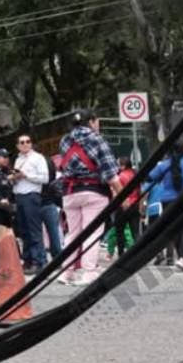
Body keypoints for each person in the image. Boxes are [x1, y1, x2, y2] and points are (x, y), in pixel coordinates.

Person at [58, 110, 123, 285]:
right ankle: (89, 272)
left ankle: (66, 272)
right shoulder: (97, 139)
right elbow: (111, 174)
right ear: (92, 122)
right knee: (92, 233)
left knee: (72, 233)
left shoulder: (65, 140)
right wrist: (123, 196)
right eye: (97, 121)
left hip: (70, 192)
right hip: (94, 192)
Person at [147, 142, 183, 272]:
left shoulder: (164, 165)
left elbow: (150, 178)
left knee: (174, 228)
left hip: (167, 200)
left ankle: (181, 257)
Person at [11, 133, 50, 275]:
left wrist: (26, 176)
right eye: (22, 142)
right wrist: (14, 178)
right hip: (19, 195)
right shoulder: (18, 160)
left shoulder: (38, 158)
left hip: (31, 195)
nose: (25, 144)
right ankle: (28, 260)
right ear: (18, 146)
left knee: (34, 229)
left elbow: (45, 178)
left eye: (28, 141)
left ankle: (38, 261)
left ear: (31, 143)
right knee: (24, 231)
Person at [111, 157, 141, 259]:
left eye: (118, 164)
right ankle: (138, 253)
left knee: (120, 231)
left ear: (123, 166)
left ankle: (121, 253)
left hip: (122, 206)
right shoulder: (135, 175)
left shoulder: (120, 177)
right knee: (135, 232)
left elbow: (116, 193)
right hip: (134, 205)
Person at [41, 153, 65, 260]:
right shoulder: (50, 165)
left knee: (37, 232)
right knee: (54, 231)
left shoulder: (37, 166)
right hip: (50, 202)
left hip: (37, 201)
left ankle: (41, 258)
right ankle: (57, 256)